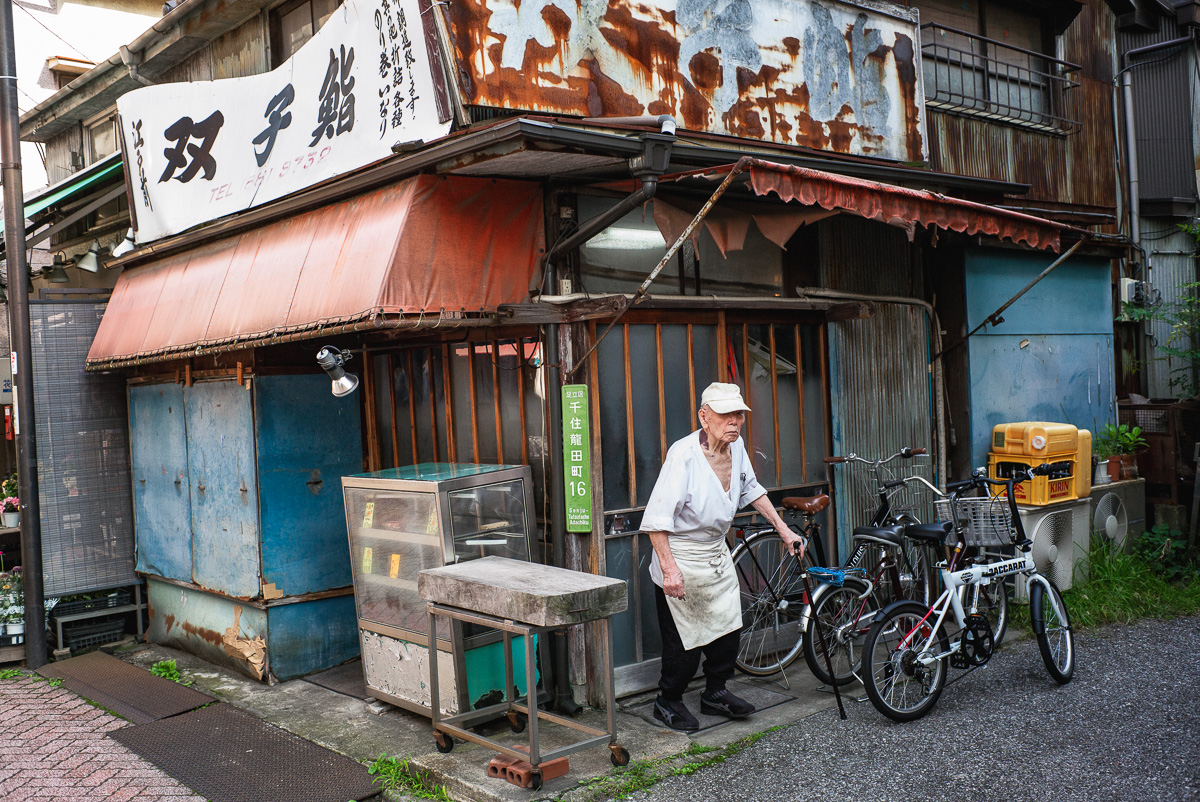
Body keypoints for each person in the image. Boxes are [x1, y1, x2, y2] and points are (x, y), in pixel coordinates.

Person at [641, 382, 806, 732]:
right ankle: (667, 701)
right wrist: (669, 570)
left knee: (728, 633)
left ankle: (715, 692)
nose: (734, 421)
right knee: (684, 643)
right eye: (725, 414)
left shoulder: (737, 447)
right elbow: (656, 521)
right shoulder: (683, 455)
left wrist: (784, 530)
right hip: (682, 558)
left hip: (716, 554)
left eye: (739, 414)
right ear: (704, 416)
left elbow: (751, 489)